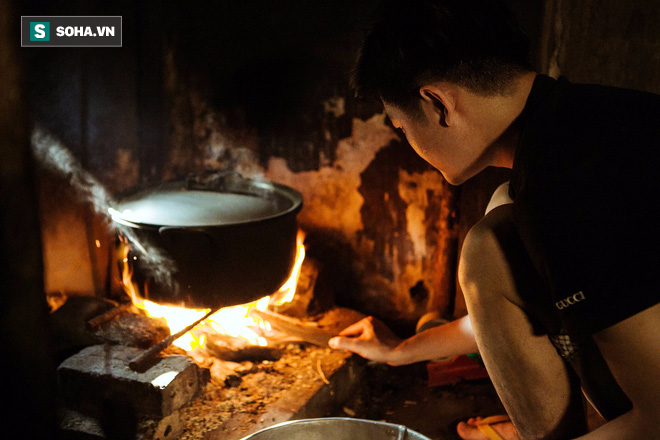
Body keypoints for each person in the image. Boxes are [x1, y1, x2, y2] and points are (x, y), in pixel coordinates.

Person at [329, 0, 660, 438]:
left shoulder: (566, 188)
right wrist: (400, 351)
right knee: (499, 226)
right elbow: (500, 318)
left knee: (486, 247)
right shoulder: (580, 124)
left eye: (401, 128)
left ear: (437, 104)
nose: (408, 141)